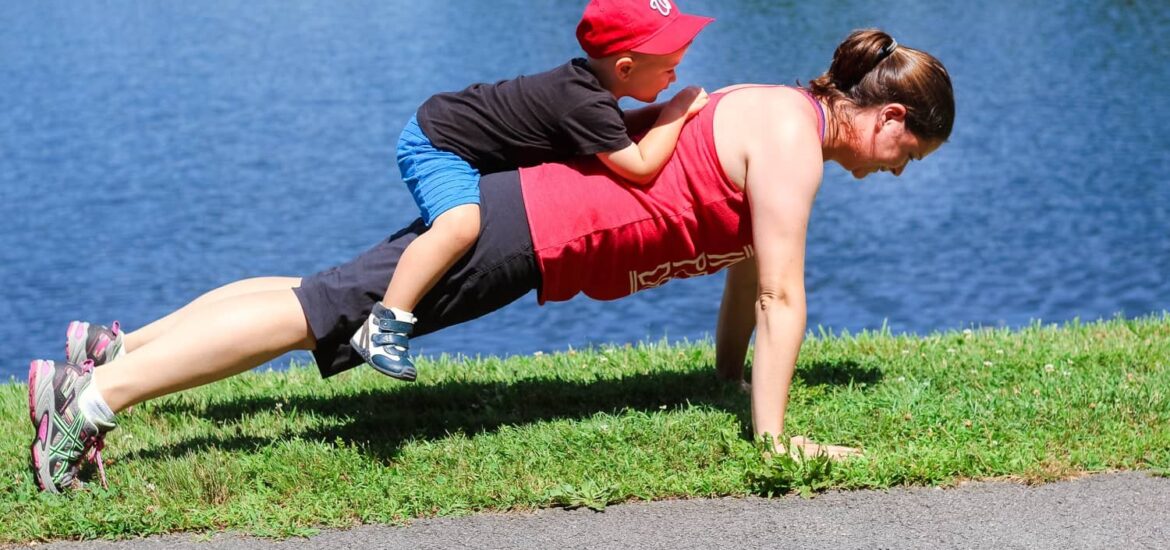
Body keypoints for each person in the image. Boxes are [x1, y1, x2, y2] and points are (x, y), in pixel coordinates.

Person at [28, 29, 954, 493]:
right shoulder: (794, 144)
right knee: (320, 312)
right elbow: (784, 298)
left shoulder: (778, 111)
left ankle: (105, 360)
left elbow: (749, 269)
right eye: (908, 154)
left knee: (318, 291)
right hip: (530, 229)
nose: (899, 171)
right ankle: (86, 410)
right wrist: (775, 437)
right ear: (889, 118)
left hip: (526, 217)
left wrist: (724, 379)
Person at [355, 0, 714, 383]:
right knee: (460, 227)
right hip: (437, 143)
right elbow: (640, 167)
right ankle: (384, 325)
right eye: (669, 70)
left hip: (453, 132)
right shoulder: (584, 102)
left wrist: (666, 116)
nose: (674, 81)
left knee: (468, 227)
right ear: (624, 68)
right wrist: (675, 112)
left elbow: (611, 129)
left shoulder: (586, 91)